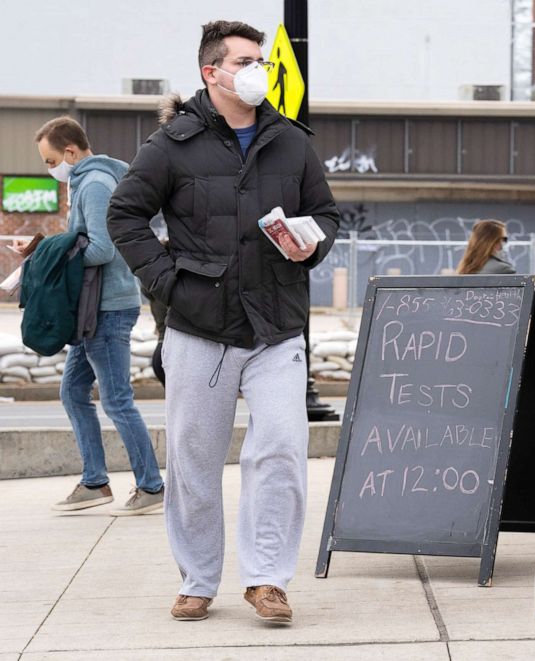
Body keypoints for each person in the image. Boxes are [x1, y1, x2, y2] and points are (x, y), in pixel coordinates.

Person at [106, 20, 341, 625]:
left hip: (277, 327)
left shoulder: (291, 140)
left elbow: (326, 215)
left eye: (260, 59)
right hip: (199, 325)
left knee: (283, 451)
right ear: (212, 72)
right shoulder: (171, 144)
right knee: (193, 459)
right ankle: (198, 577)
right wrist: (166, 282)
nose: (257, 69)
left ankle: (266, 579)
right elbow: (126, 216)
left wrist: (310, 245)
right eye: (244, 60)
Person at [32, 117, 164, 516]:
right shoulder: (91, 180)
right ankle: (94, 481)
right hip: (95, 309)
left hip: (106, 309)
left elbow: (103, 249)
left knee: (118, 400)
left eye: (51, 159)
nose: (50, 168)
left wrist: (48, 257)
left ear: (71, 152)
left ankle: (151, 486)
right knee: (73, 392)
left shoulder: (92, 185)